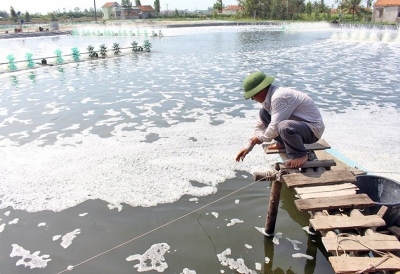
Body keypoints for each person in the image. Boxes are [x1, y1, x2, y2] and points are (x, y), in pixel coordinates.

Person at [235, 71, 325, 168]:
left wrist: (262, 138)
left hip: (313, 130)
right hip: (298, 126)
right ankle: (282, 142)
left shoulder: (279, 97)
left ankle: (300, 154)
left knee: (284, 126)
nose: (252, 99)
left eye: (253, 95)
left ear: (261, 90)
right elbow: (260, 125)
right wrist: (248, 146)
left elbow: (275, 126)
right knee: (263, 113)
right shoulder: (267, 99)